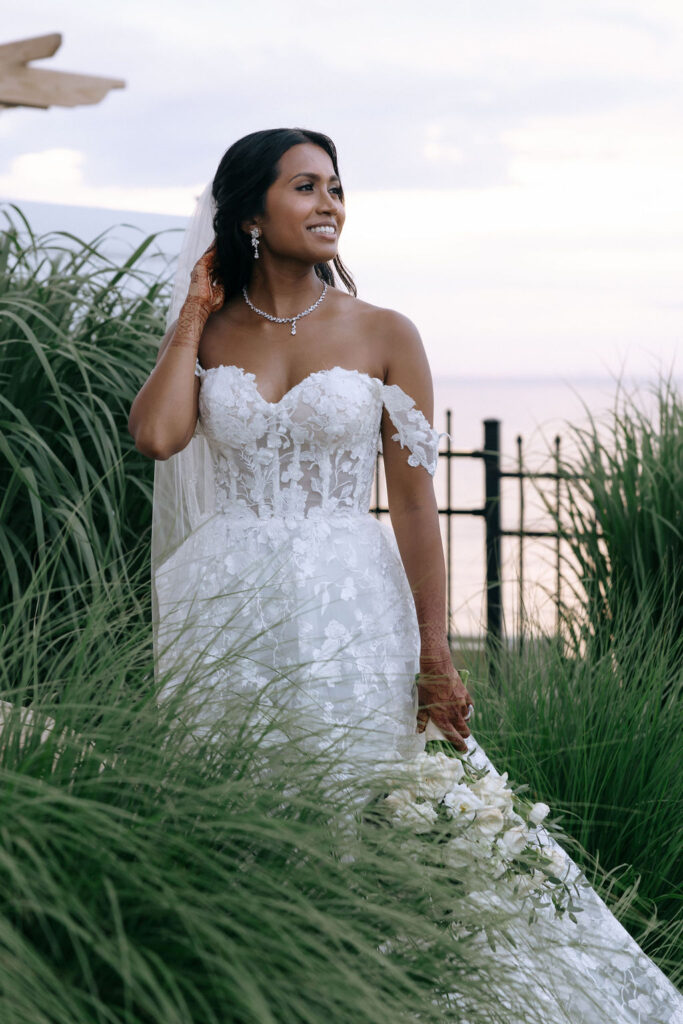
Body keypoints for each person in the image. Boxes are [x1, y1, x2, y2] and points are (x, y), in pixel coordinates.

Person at [128, 128, 683, 1022]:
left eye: (336, 188)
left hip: (350, 602)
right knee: (234, 810)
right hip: (222, 608)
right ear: (249, 215)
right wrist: (193, 313)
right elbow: (157, 437)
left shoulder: (385, 332)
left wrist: (437, 653)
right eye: (305, 187)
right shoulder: (214, 332)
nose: (329, 204)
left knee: (370, 802)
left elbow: (417, 509)